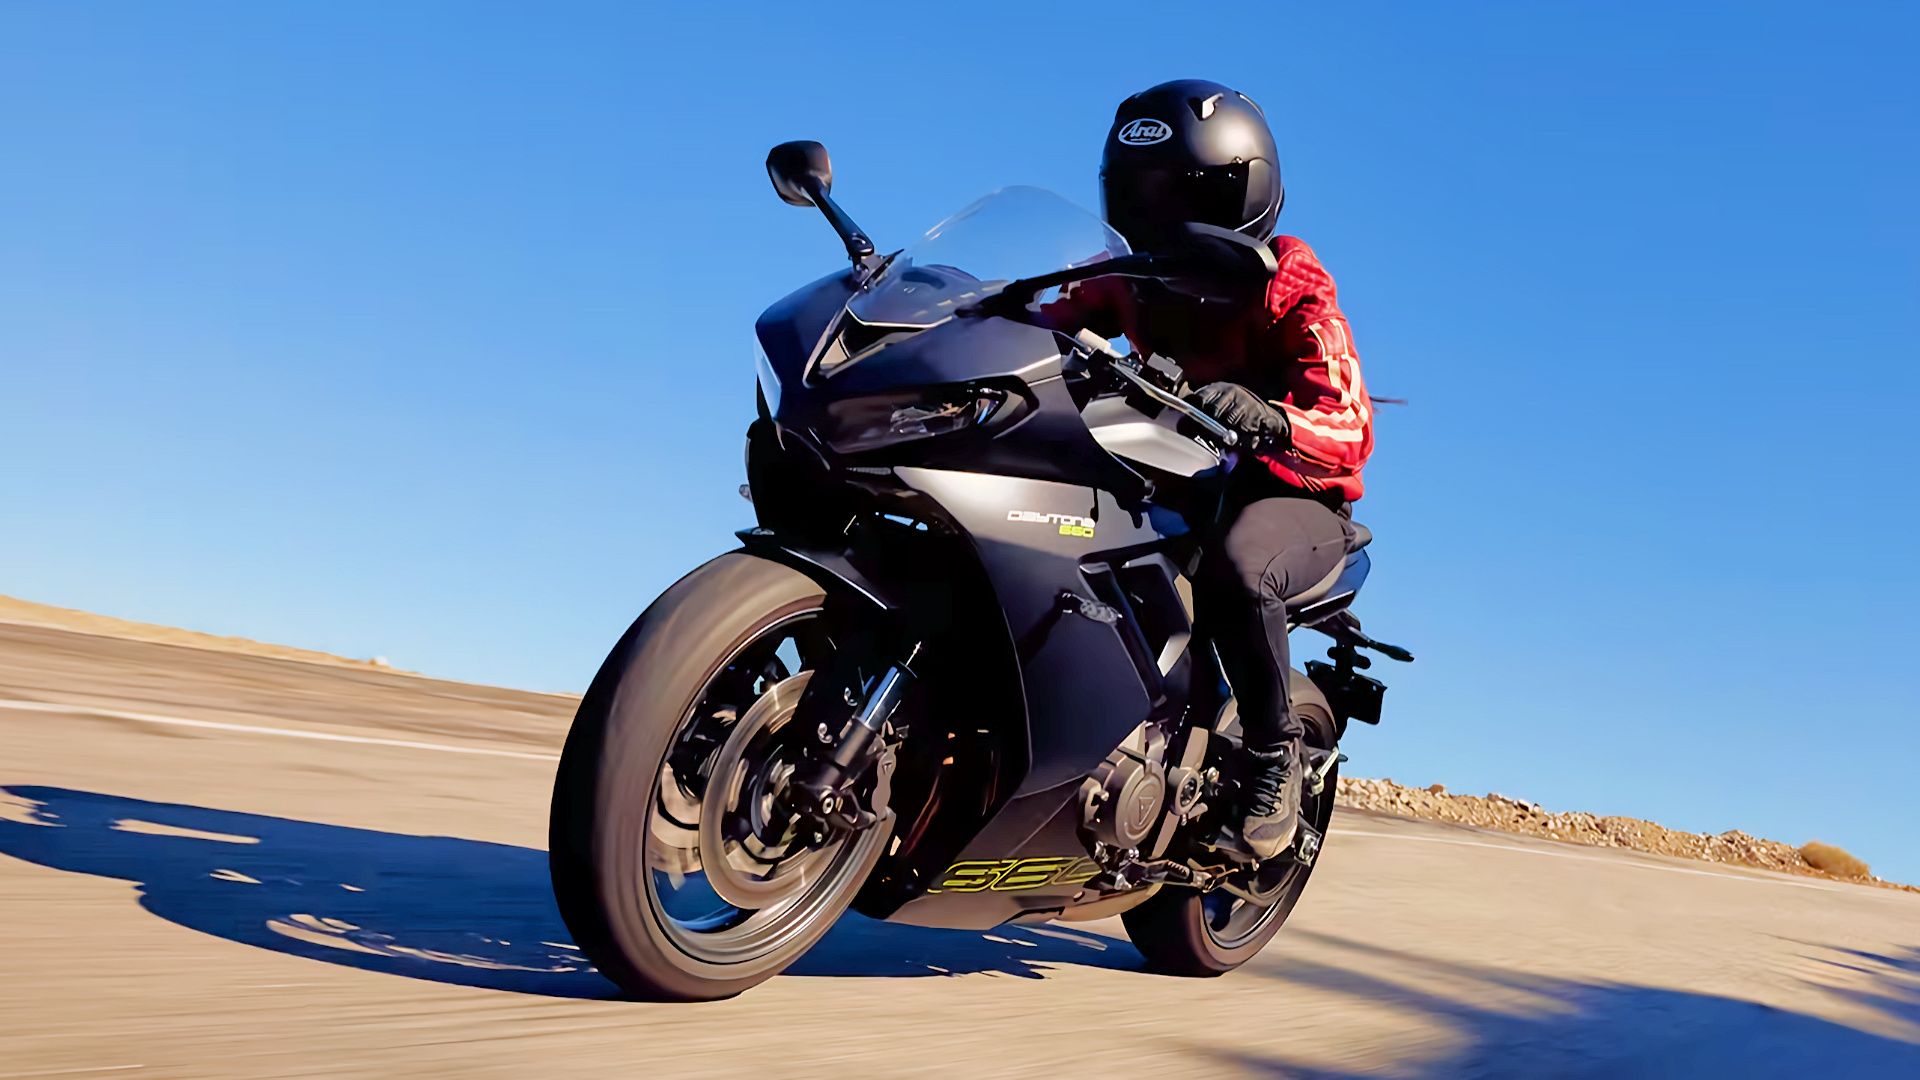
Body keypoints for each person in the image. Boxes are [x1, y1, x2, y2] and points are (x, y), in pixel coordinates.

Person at [1055, 79, 1375, 859]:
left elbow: (1351, 425)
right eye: (1142, 192)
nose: (1160, 214)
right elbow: (1048, 317)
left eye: (1183, 193)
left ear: (1242, 193)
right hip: (1184, 467)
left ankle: (1272, 760)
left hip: (1293, 491)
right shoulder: (1132, 276)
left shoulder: (1289, 283)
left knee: (1237, 568)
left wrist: (1271, 419)